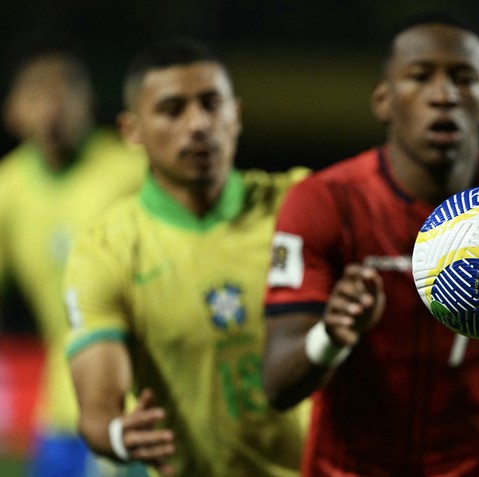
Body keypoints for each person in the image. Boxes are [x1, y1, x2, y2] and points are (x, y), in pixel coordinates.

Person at [263, 13, 479, 477]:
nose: (444, 95)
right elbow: (277, 386)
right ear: (384, 101)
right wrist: (331, 334)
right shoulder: (324, 204)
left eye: (463, 79)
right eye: (420, 76)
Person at [63, 38, 309, 476]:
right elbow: (98, 407)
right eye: (173, 109)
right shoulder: (108, 250)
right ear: (131, 132)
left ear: (237, 114)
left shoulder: (301, 206)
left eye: (212, 104)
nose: (198, 124)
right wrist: (119, 432)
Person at [0, 49, 148, 476]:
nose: (52, 111)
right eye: (38, 98)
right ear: (13, 112)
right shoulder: (9, 190)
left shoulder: (133, 171)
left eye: (64, 96)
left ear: (90, 104)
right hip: (61, 409)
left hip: (136, 404)